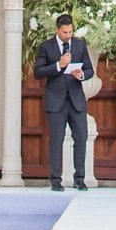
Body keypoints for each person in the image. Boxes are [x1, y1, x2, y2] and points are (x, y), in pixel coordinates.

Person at [32, 12, 94, 192]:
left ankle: (80, 178)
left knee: (81, 137)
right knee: (56, 140)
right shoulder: (47, 47)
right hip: (56, 100)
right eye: (65, 32)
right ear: (57, 30)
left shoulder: (80, 45)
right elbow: (38, 72)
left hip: (76, 99)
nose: (68, 35)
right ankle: (55, 179)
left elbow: (89, 69)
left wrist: (81, 74)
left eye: (71, 32)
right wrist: (59, 65)